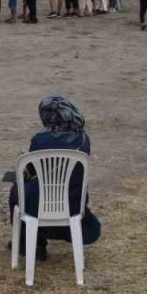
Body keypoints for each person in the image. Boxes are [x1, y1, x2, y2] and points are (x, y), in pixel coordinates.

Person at [8, 96, 101, 261]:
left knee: (19, 191)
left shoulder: (40, 140)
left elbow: (31, 173)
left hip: (40, 205)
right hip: (72, 202)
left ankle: (31, 243)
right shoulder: (84, 139)